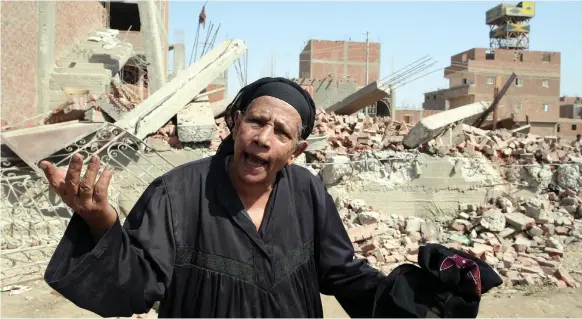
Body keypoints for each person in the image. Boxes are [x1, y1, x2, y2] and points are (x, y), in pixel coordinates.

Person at [41, 77, 501, 318]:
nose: (264, 137)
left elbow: (343, 274)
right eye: (257, 122)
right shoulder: (176, 193)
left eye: (281, 132)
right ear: (235, 124)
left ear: (297, 152)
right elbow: (137, 287)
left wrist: (416, 297)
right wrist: (102, 223)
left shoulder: (308, 192)